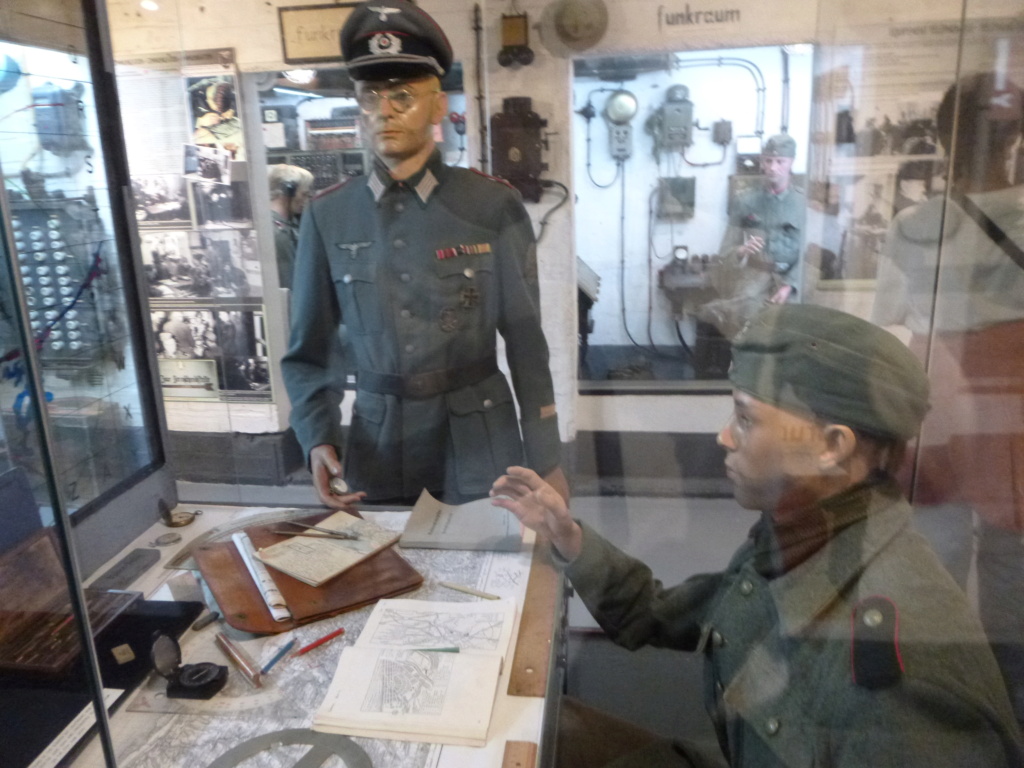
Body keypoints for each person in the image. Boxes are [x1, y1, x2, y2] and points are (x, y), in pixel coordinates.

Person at [491, 303, 1023, 768]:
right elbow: (673, 613)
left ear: (832, 446)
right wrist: (567, 536)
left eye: (746, 418)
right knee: (522, 726)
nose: (724, 435)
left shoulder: (899, 678)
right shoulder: (807, 536)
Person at [281, 0, 566, 509]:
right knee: (385, 576)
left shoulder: (490, 205)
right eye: (370, 96)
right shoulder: (329, 216)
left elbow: (525, 340)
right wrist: (317, 438)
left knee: (493, 576)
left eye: (404, 95)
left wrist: (546, 457)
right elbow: (310, 350)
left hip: (480, 438)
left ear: (437, 106)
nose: (385, 111)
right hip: (378, 442)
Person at [872, 72, 1024, 728]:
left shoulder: (913, 224)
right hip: (1016, 398)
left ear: (939, 137)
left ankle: (939, 714)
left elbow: (888, 318)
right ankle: (1011, 714)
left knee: (934, 559)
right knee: (1012, 563)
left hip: (940, 394)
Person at [701, 134, 807, 338]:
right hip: (753, 280)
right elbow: (725, 251)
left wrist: (789, 286)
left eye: (780, 161)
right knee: (746, 331)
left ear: (791, 162)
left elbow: (809, 255)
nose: (773, 167)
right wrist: (741, 251)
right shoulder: (745, 201)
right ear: (762, 162)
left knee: (794, 332)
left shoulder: (803, 203)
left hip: (792, 281)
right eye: (768, 161)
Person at [267, 164, 314, 290]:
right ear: (288, 191)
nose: (306, 200)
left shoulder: (286, 224)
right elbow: (291, 284)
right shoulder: (278, 233)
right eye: (304, 194)